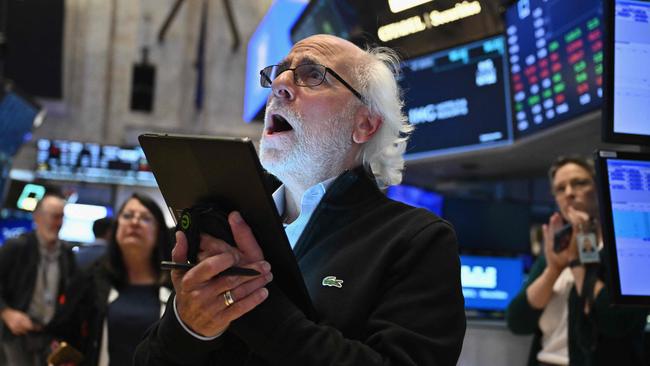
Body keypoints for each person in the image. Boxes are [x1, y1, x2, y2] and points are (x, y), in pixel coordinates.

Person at [134, 34, 465, 366]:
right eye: (280, 72)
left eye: (313, 75)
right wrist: (188, 326)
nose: (279, 83)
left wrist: (256, 302)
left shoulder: (417, 240)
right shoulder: (230, 223)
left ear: (364, 125)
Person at [506, 156, 647, 366]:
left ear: (600, 187)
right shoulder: (556, 251)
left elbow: (617, 322)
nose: (569, 193)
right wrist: (553, 269)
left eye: (579, 183)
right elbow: (517, 322)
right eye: (560, 189)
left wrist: (579, 261)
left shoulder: (631, 247)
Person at [47, 193, 173, 366]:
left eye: (145, 218)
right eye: (127, 216)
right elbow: (62, 330)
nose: (134, 222)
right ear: (116, 229)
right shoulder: (91, 278)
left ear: (159, 232)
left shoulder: (176, 285)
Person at [0, 192, 78, 366]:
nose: (57, 223)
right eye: (53, 216)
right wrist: (6, 312)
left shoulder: (66, 253)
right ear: (37, 218)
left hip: (50, 335)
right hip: (16, 335)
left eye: (61, 217)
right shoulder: (17, 247)